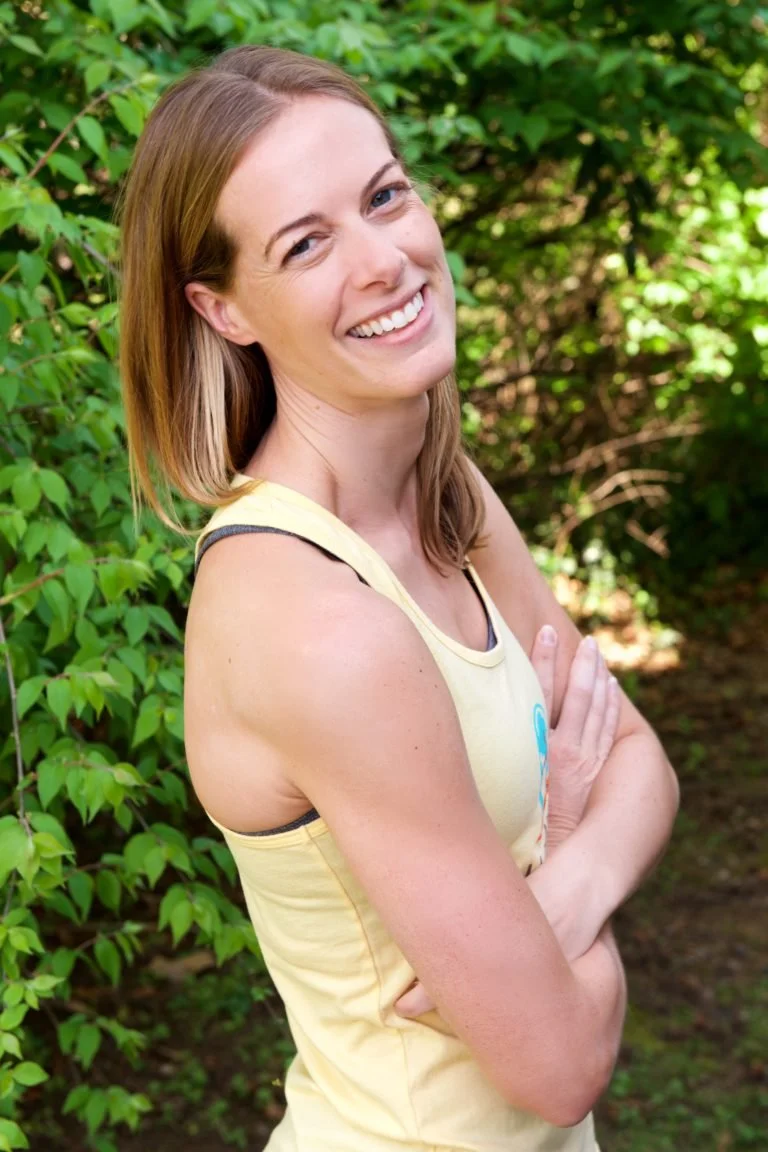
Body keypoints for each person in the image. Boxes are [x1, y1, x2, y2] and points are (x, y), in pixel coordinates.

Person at [118, 44, 679, 1152]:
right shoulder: (313, 617)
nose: (384, 260)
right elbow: (559, 1061)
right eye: (308, 243)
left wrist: (556, 897)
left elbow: (641, 763)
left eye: (385, 197)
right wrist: (575, 829)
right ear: (222, 309)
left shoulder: (445, 494)